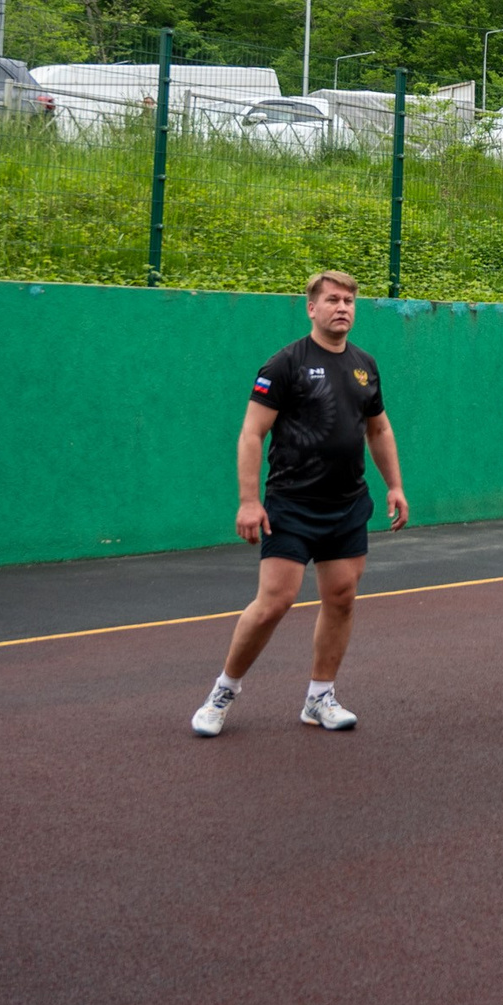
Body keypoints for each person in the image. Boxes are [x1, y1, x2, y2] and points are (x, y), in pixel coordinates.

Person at [191, 270, 410, 737]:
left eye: (349, 300)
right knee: (274, 603)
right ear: (311, 308)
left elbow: (379, 429)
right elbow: (252, 433)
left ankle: (319, 698)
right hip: (291, 503)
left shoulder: (365, 364)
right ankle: (224, 691)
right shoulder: (284, 364)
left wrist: (394, 485)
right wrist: (249, 501)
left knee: (341, 598)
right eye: (332, 299)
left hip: (348, 504)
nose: (343, 307)